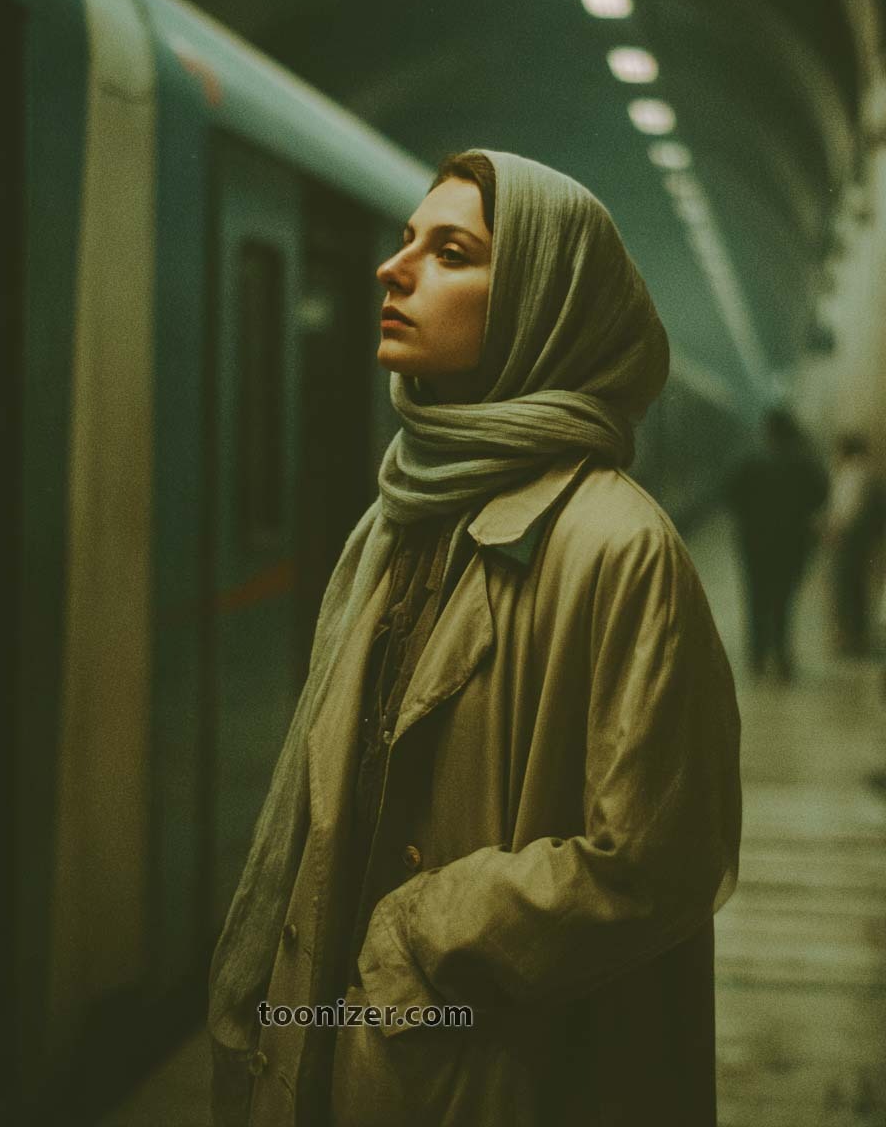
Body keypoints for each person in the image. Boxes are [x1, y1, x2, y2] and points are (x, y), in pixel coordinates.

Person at [207, 150, 742, 1127]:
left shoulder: (618, 545)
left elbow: (655, 859)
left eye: (449, 250)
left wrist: (419, 928)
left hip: (490, 1062)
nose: (393, 267)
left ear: (540, 302)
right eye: (407, 239)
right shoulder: (398, 518)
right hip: (362, 1041)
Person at [725, 408, 828, 680]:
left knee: (756, 601)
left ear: (767, 431)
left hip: (754, 546)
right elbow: (821, 495)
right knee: (783, 603)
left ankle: (757, 658)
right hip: (790, 547)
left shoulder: (750, 462)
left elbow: (730, 497)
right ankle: (782, 660)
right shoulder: (804, 464)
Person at [825, 433, 886, 656]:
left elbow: (846, 512)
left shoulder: (852, 474)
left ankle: (851, 642)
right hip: (862, 542)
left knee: (846, 591)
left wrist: (831, 530)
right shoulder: (866, 472)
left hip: (849, 542)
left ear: (846, 451)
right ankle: (857, 639)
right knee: (856, 591)